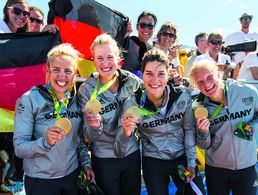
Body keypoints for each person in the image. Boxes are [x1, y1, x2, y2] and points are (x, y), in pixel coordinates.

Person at [115, 48, 205, 195]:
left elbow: (189, 129)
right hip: (154, 160)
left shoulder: (181, 95)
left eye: (161, 74)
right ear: (142, 75)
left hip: (182, 156)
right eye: (149, 74)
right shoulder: (133, 102)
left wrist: (191, 162)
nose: (155, 80)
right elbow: (120, 148)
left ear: (168, 74)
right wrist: (126, 132)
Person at [13, 43, 94, 195]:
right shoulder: (29, 100)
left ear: (74, 74)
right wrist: (45, 142)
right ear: (48, 71)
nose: (62, 76)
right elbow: (19, 149)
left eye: (68, 71)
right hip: (41, 181)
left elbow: (78, 141)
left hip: (71, 178)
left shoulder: (77, 100)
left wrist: (86, 165)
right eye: (56, 70)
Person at [78, 34, 142, 195]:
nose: (105, 63)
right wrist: (94, 127)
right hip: (104, 159)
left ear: (119, 58)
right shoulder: (86, 90)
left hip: (131, 155)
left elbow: (153, 98)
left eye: (109, 57)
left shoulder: (132, 80)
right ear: (93, 60)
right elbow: (87, 135)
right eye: (99, 58)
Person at [189, 60, 258, 195]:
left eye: (210, 77)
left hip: (246, 166)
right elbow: (204, 145)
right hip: (216, 170)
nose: (207, 84)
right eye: (200, 82)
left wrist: (251, 127)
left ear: (219, 74)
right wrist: (203, 132)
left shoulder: (246, 91)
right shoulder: (198, 108)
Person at [121, 11, 157, 76]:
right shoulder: (127, 41)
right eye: (143, 25)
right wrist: (122, 36)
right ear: (137, 26)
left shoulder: (153, 50)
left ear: (154, 28)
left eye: (150, 26)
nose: (146, 29)